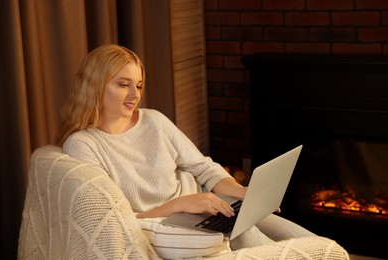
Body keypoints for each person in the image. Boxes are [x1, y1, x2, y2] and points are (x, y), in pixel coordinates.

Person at [56, 44, 315, 257]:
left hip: (204, 208)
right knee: (270, 246)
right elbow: (112, 220)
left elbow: (202, 167)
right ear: (95, 85)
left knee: (309, 242)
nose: (134, 95)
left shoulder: (154, 121)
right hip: (166, 226)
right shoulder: (83, 145)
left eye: (139, 85)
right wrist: (177, 205)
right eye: (123, 84)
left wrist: (244, 192)